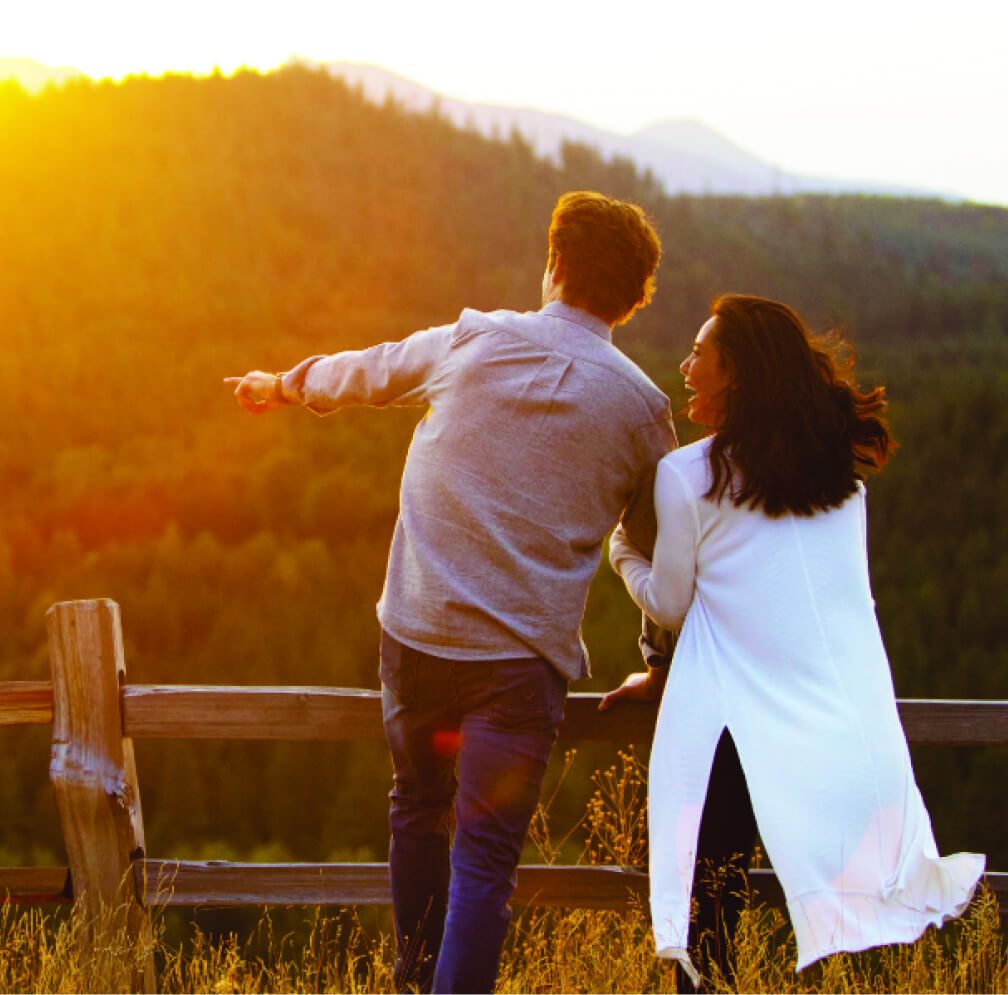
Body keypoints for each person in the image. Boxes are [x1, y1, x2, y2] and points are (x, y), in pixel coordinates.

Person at [226, 192, 676, 994]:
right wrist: (659, 661)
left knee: (417, 807)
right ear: (635, 298)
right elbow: (656, 548)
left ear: (556, 265)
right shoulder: (645, 410)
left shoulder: (474, 339)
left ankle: (413, 978)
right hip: (519, 667)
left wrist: (281, 385)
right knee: (485, 862)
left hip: (418, 637)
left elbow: (367, 369)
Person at [603, 294, 986, 990]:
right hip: (828, 722)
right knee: (812, 895)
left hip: (728, 727)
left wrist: (623, 551)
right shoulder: (838, 483)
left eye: (701, 357)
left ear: (737, 377)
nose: (685, 367)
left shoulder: (688, 477)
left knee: (709, 902)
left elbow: (670, 601)